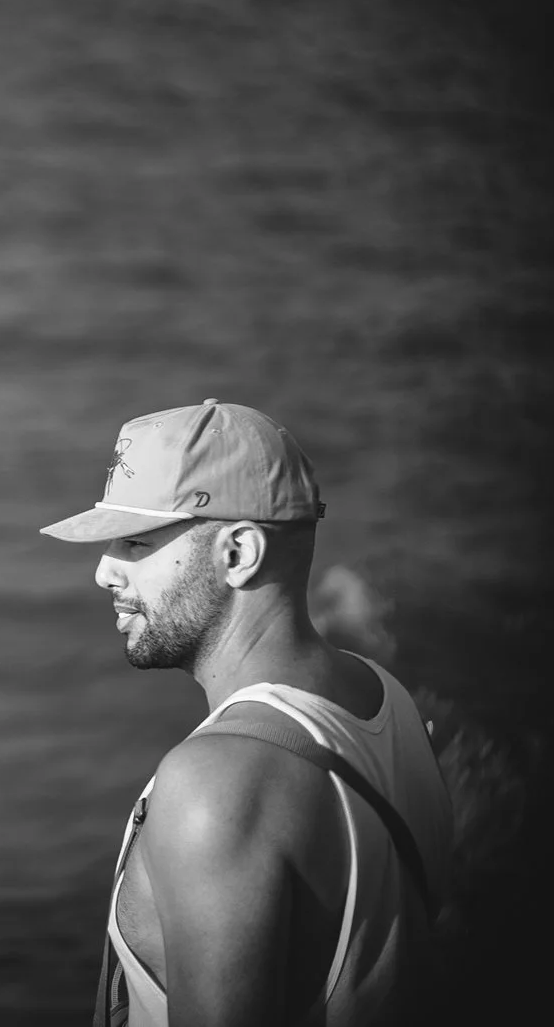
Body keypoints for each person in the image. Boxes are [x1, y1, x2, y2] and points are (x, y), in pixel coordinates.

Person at [41, 400, 454, 1027]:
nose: (103, 571)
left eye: (134, 542)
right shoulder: (383, 700)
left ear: (238, 553)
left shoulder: (214, 786)